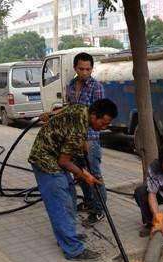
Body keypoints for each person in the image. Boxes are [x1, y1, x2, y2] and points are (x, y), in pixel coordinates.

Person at [29, 99, 118, 261]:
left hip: (54, 155)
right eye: (103, 123)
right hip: (46, 160)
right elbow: (65, 161)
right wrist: (85, 174)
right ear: (93, 116)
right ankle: (73, 250)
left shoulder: (82, 109)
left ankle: (67, 235)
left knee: (70, 196)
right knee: (61, 203)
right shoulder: (78, 129)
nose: (103, 128)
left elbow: (62, 112)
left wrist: (84, 142)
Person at [66, 52, 107, 226]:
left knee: (94, 174)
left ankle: (99, 210)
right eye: (81, 69)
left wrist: (86, 137)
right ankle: (89, 203)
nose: (85, 72)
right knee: (81, 174)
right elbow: (69, 108)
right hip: (74, 138)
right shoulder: (71, 85)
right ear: (75, 68)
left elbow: (98, 116)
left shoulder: (96, 87)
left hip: (89, 139)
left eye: (88, 69)